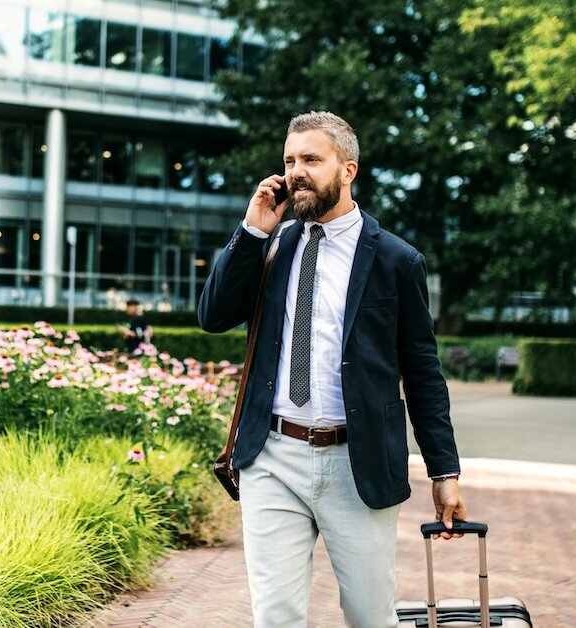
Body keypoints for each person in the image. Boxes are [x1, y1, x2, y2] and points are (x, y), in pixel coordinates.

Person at [197, 111, 468, 628]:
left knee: (369, 615)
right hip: (272, 457)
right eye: (289, 161)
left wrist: (444, 472)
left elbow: (423, 372)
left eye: (311, 160)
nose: (296, 172)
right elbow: (212, 317)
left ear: (348, 170)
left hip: (357, 461)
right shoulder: (271, 245)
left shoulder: (397, 260)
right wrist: (250, 232)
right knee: (275, 616)